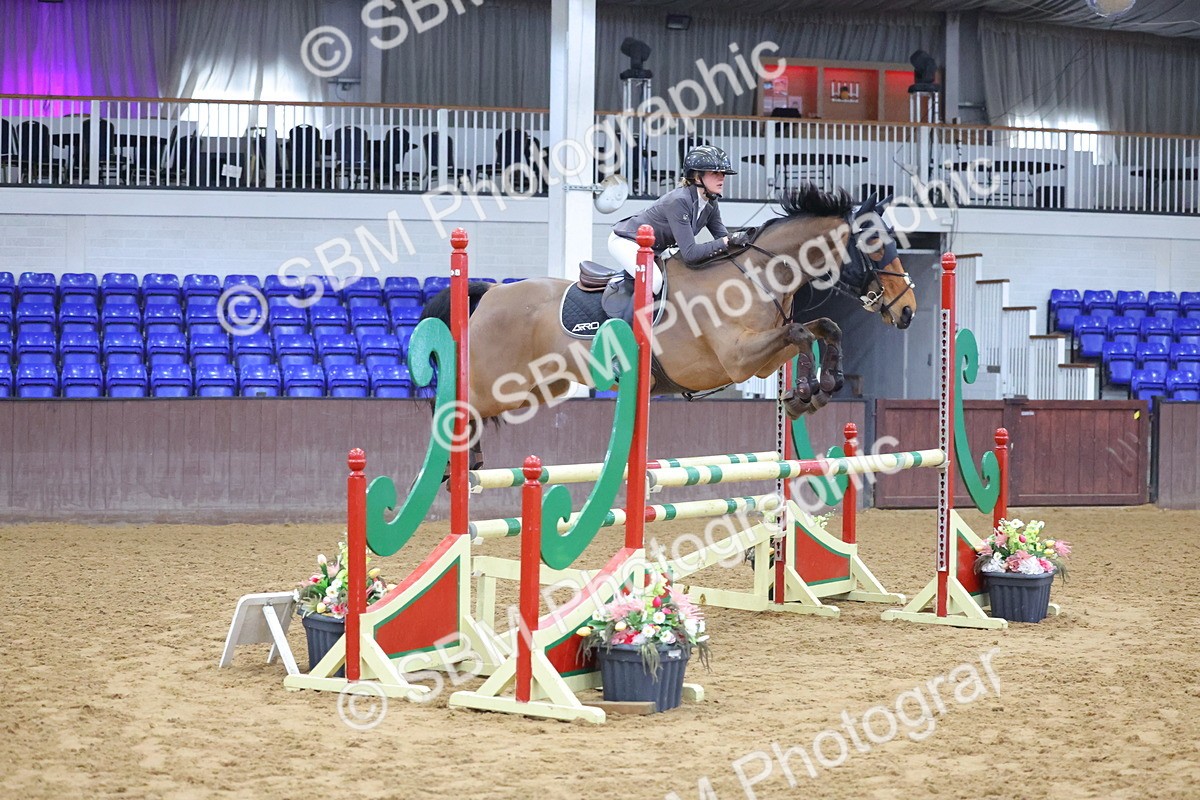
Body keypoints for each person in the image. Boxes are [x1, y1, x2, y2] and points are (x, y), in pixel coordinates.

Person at [605, 145, 750, 321]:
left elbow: (722, 238)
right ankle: (628, 336)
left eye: (723, 174)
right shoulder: (679, 201)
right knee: (654, 281)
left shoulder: (710, 203)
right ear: (697, 177)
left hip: (655, 248)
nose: (722, 178)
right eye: (715, 173)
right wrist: (727, 241)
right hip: (627, 241)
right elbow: (690, 253)